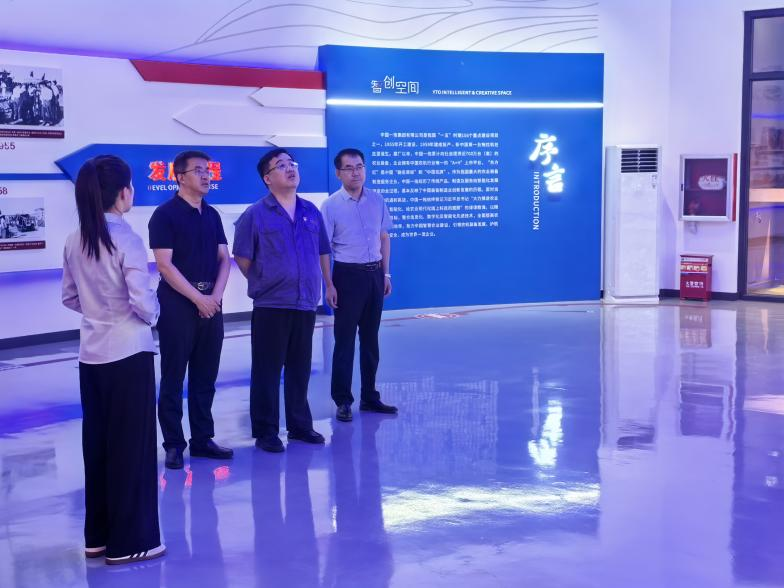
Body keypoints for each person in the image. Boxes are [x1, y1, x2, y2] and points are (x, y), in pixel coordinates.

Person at [61, 155, 165, 565]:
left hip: (91, 355)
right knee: (133, 449)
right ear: (124, 193)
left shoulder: (75, 238)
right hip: (129, 352)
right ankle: (131, 542)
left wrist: (97, 312)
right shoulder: (126, 238)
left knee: (99, 445)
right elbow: (144, 302)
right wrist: (153, 313)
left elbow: (69, 297)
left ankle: (98, 538)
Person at [233, 148, 331, 452]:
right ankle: (266, 431)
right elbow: (243, 257)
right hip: (271, 304)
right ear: (267, 178)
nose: (290, 169)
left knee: (300, 367)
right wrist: (266, 280)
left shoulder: (310, 211)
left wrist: (327, 284)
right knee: (267, 369)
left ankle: (300, 426)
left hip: (305, 301)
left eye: (292, 163)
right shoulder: (255, 214)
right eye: (281, 165)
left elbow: (322, 251)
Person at [148, 150, 233, 469]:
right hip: (178, 305)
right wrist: (199, 299)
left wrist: (215, 297)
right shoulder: (164, 215)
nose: (206, 175)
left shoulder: (212, 215)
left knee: (206, 375)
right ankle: (173, 443)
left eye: (208, 170)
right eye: (198, 170)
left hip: (212, 304)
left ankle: (202, 439)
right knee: (173, 376)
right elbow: (164, 266)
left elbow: (224, 259)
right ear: (180, 177)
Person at [321, 148, 398, 422]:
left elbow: (384, 237)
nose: (356, 172)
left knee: (370, 340)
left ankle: (369, 397)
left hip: (375, 275)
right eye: (349, 168)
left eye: (360, 167)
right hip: (347, 277)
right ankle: (343, 400)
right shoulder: (331, 205)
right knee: (344, 342)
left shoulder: (377, 200)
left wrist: (386, 275)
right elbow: (324, 249)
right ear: (338, 173)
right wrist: (329, 284)